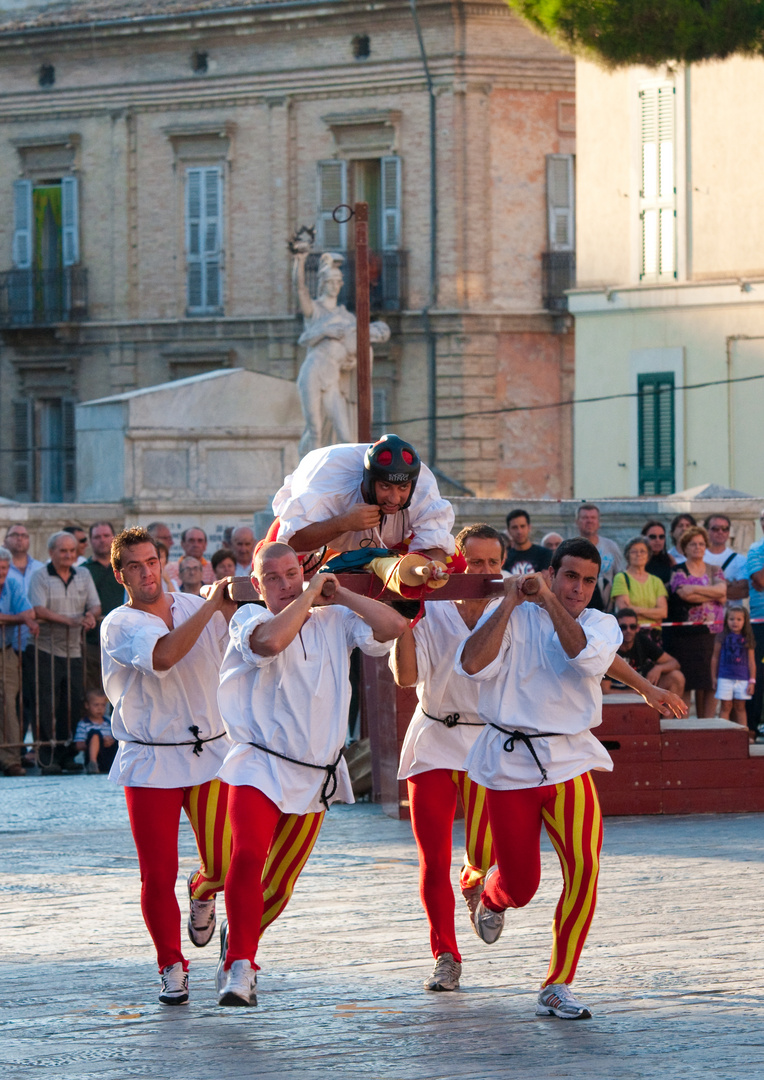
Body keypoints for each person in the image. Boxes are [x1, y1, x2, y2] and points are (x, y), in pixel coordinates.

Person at [215, 541, 406, 1007]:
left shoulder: (335, 618)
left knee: (278, 888)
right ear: (257, 585)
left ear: (303, 571)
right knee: (247, 856)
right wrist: (307, 597)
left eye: (291, 574)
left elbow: (395, 626)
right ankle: (241, 965)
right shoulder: (249, 618)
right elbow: (271, 642)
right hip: (258, 763)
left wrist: (339, 594)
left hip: (314, 773)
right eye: (272, 578)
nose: (284, 585)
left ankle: (236, 936)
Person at [455, 538, 621, 1020]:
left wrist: (547, 601)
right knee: (522, 887)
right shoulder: (511, 614)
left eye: (588, 581)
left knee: (585, 870)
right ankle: (489, 894)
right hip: (510, 765)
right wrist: (509, 600)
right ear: (552, 572)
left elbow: (585, 658)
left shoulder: (600, 624)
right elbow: (472, 664)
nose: (578, 589)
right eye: (570, 577)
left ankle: (557, 983)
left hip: (570, 762)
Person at [101, 527, 236, 1006]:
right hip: (149, 757)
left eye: (152, 562)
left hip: (209, 752)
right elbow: (163, 656)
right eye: (135, 566)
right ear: (120, 574)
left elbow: (248, 635)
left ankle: (202, 891)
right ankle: (171, 966)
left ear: (164, 562)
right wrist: (212, 607)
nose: (147, 572)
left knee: (225, 863)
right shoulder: (119, 622)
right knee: (156, 874)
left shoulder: (191, 603)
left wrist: (240, 599)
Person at [390, 524, 504, 993]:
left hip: (488, 741)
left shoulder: (510, 606)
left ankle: (475, 878)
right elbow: (404, 678)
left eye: (492, 562)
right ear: (456, 561)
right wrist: (402, 624)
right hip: (434, 734)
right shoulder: (430, 605)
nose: (483, 571)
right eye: (474, 562)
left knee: (485, 850)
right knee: (431, 857)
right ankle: (445, 955)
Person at [273, 434, 456, 566]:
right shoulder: (326, 484)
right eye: (385, 486)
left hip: (394, 544)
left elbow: (435, 545)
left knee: (453, 559)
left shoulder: (423, 484)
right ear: (369, 481)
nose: (394, 498)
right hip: (317, 528)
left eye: (402, 488)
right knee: (274, 555)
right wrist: (342, 523)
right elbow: (293, 542)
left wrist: (425, 570)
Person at [292, 248, 390, 457]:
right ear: (322, 283)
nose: (335, 286)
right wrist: (299, 261)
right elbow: (300, 293)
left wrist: (354, 361)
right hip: (313, 371)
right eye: (330, 282)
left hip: (333, 378)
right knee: (315, 430)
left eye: (338, 282)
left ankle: (349, 475)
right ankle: (308, 477)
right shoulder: (315, 311)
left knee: (346, 435)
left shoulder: (347, 318)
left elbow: (356, 351)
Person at [28, 532, 101, 772]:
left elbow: (95, 604)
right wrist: (69, 621)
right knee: (47, 705)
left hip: (74, 650)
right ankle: (47, 757)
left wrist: (90, 615)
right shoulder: (40, 576)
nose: (69, 554)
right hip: (45, 649)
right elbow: (38, 609)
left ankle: (67, 755)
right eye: (63, 550)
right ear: (51, 553)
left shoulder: (84, 574)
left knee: (72, 704)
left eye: (72, 550)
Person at [667, 525, 727, 718]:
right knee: (688, 680)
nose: (698, 547)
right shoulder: (678, 570)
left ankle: (707, 724)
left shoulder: (715, 569)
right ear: (685, 547)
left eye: (701, 544)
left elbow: (723, 592)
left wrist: (695, 589)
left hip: (713, 634)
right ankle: (683, 725)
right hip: (686, 636)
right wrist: (712, 594)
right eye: (693, 544)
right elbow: (684, 595)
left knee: (710, 681)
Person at [0, 546, 38, 776]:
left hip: (5, 652)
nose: (1, 572)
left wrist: (20, 618)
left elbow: (30, 613)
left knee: (8, 707)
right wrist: (17, 618)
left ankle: (11, 758)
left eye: (4, 567)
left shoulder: (12, 585)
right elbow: (23, 615)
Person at [603, 608, 684, 696]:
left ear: (637, 628)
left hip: (642, 691)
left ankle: (668, 710)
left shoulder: (641, 640)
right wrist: (639, 691)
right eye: (623, 627)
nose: (628, 630)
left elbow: (674, 663)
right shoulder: (609, 646)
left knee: (676, 677)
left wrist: (658, 668)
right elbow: (605, 691)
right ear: (616, 628)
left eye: (632, 626)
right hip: (615, 699)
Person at [83, 522, 125, 691]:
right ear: (91, 541)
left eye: (106, 536)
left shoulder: (126, 567)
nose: (102, 540)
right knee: (94, 692)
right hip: (93, 641)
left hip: (122, 639)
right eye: (97, 537)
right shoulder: (83, 570)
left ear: (114, 538)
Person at [711, 605, 756, 738]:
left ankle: (744, 737)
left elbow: (752, 662)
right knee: (725, 707)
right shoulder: (721, 637)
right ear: (726, 620)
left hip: (743, 679)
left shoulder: (748, 639)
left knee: (740, 708)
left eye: (738, 619)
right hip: (724, 677)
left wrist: (752, 681)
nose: (735, 622)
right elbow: (715, 657)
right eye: (731, 619)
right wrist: (714, 677)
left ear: (745, 621)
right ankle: (722, 736)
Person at [610, 536, 668, 628]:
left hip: (653, 633)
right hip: (630, 631)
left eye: (642, 551)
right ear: (627, 555)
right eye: (634, 552)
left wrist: (635, 609)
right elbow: (625, 612)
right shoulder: (621, 578)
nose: (638, 554)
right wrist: (653, 614)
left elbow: (663, 613)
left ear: (648, 555)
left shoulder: (656, 581)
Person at [575, 504, 624, 609]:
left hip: (605, 609)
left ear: (599, 522)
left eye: (593, 518)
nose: (589, 521)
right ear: (577, 522)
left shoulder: (611, 547)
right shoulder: (570, 547)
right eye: (585, 518)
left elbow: (619, 576)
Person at [744, 507, 764, 734]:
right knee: (757, 675)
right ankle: (753, 725)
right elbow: (760, 580)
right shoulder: (756, 549)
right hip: (760, 621)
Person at [702, 514, 748, 600]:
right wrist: (727, 585)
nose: (720, 532)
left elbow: (743, 591)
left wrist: (704, 589)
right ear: (706, 531)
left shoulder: (739, 560)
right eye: (715, 529)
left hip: (731, 612)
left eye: (725, 529)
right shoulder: (698, 557)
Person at [73, 687, 117, 774]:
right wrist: (96, 743)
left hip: (108, 753)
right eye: (96, 705)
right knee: (95, 734)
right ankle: (92, 764)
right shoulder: (84, 724)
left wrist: (110, 741)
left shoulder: (108, 722)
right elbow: (78, 745)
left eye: (103, 705)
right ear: (87, 705)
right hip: (95, 755)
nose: (100, 708)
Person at [502, 510, 552, 575]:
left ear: (529, 527)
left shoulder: (545, 554)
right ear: (508, 530)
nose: (519, 531)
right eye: (514, 527)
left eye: (522, 526)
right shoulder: (505, 556)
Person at [640, 520, 674, 584]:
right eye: (653, 537)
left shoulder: (670, 559)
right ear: (643, 538)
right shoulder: (638, 559)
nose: (657, 540)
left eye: (661, 537)